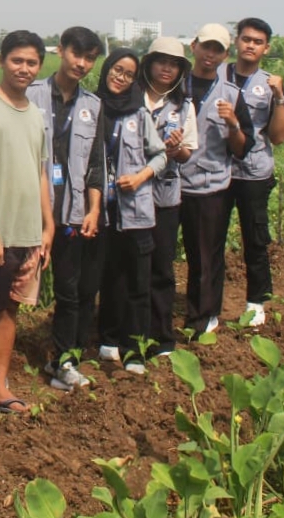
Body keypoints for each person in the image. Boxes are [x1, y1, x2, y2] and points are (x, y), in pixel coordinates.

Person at [0, 31, 54, 421]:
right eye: (17, 60)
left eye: (32, 62)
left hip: (27, 232)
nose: (24, 68)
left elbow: (40, 173)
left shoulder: (35, 113)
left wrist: (47, 227)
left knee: (11, 311)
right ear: (1, 60)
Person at [26, 27, 104, 390]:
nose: (82, 64)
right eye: (77, 54)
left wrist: (93, 209)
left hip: (71, 212)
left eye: (90, 58)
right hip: (30, 211)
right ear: (61, 50)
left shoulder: (93, 106)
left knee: (69, 291)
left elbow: (96, 165)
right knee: (14, 289)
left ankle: (64, 360)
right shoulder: (30, 94)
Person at [94, 49, 167, 374]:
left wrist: (139, 177)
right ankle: (108, 339)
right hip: (101, 211)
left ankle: (135, 350)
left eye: (128, 74)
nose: (120, 77)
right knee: (109, 278)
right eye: (117, 70)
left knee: (138, 282)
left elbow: (160, 156)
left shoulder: (139, 113)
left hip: (135, 211)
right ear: (106, 69)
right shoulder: (91, 107)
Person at [179, 24, 254, 334]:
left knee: (206, 256)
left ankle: (203, 318)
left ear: (226, 55)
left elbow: (242, 148)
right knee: (158, 256)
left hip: (209, 187)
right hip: (168, 183)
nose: (210, 54)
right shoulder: (173, 86)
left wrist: (233, 124)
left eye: (218, 49)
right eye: (206, 46)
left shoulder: (231, 95)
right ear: (194, 46)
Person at [222, 18, 284, 326]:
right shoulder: (217, 76)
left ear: (267, 48)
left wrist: (280, 97)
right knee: (211, 238)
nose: (250, 45)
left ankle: (256, 302)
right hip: (217, 170)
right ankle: (208, 302)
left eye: (257, 41)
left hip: (254, 172)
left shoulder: (270, 84)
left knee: (255, 237)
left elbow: (278, 137)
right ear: (237, 41)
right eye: (246, 39)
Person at [138, 37, 198, 356]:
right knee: (128, 267)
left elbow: (188, 153)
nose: (167, 68)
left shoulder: (184, 106)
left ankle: (161, 337)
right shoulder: (130, 99)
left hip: (164, 197)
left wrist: (175, 149)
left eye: (174, 64)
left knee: (161, 267)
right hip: (131, 196)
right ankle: (128, 333)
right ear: (148, 64)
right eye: (161, 61)